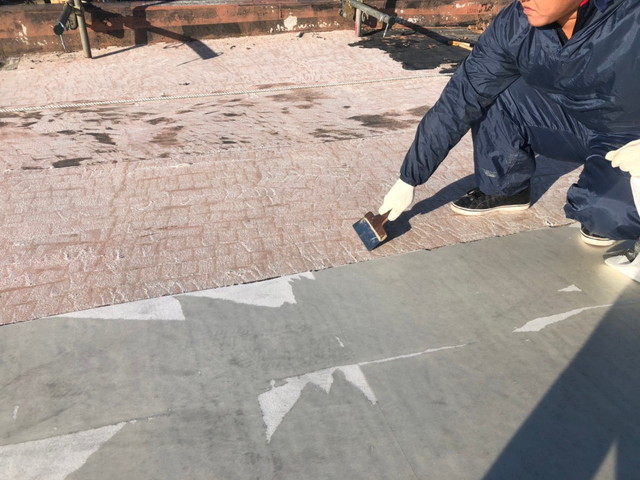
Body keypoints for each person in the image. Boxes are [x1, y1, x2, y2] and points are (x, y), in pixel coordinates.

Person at [378, 0, 640, 268]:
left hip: (628, 135)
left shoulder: (631, 15)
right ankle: (506, 187)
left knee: (605, 213)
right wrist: (409, 178)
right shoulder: (516, 23)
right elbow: (461, 97)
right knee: (490, 91)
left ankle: (608, 196)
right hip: (567, 120)